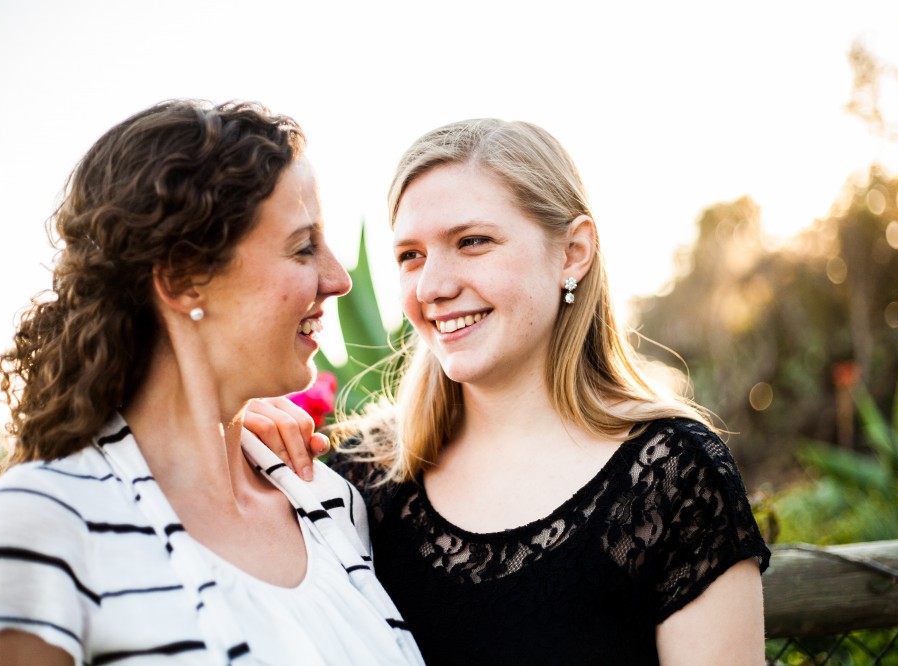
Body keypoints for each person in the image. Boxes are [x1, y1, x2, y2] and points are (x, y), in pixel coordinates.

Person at [250, 118, 770, 665]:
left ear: (573, 251)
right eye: (411, 255)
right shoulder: (357, 479)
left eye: (472, 242)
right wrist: (236, 430)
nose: (432, 287)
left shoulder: (673, 475)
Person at [0, 100, 424, 665]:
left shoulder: (330, 506)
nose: (339, 278)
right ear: (183, 280)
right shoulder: (46, 522)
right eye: (303, 247)